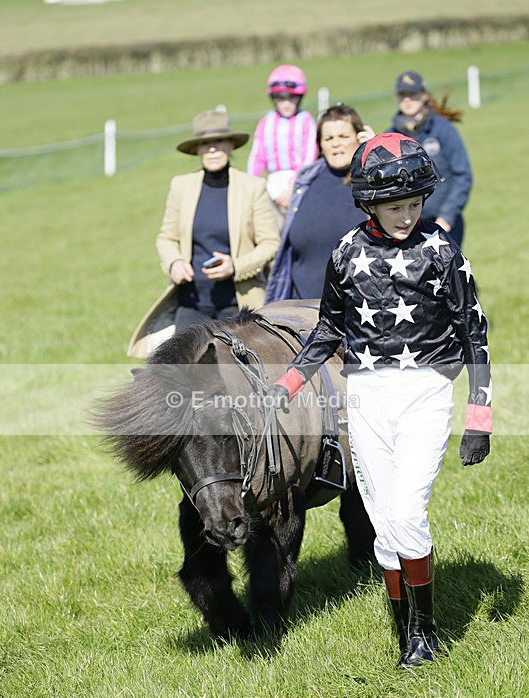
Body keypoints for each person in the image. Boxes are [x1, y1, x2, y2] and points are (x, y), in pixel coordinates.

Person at [267, 133, 492, 667]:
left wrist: (479, 417)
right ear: (369, 203)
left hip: (426, 393)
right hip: (365, 397)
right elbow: (327, 330)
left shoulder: (441, 251)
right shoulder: (347, 252)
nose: (406, 216)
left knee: (408, 513)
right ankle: (404, 630)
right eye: (395, 207)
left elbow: (474, 331)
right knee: (385, 525)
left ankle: (425, 632)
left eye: (414, 204)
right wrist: (287, 385)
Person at [127, 109, 280, 358]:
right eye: (205, 143)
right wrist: (175, 262)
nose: (212, 149)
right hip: (191, 302)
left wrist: (235, 266)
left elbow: (270, 243)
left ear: (230, 144)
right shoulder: (181, 186)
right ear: (197, 149)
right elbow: (166, 238)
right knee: (180, 371)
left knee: (236, 372)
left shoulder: (252, 187)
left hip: (238, 304)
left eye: (218, 141)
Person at [265, 104, 374, 302]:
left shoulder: (371, 179)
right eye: (328, 138)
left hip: (360, 306)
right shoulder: (304, 180)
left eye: (343, 136)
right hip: (302, 307)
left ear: (359, 138)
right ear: (320, 145)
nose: (336, 144)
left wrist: (373, 153)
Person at [387, 70, 473, 248]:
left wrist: (446, 217)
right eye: (403, 95)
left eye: (413, 94)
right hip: (406, 226)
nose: (408, 100)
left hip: (444, 224)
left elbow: (462, 175)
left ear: (424, 95)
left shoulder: (443, 130)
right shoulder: (390, 137)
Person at [247, 65, 318, 224]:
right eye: (281, 99)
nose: (286, 104)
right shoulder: (266, 122)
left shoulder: (306, 121)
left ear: (299, 98)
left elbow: (308, 159)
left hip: (299, 185)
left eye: (291, 98)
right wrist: (252, 188)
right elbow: (256, 158)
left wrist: (292, 188)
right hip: (271, 186)